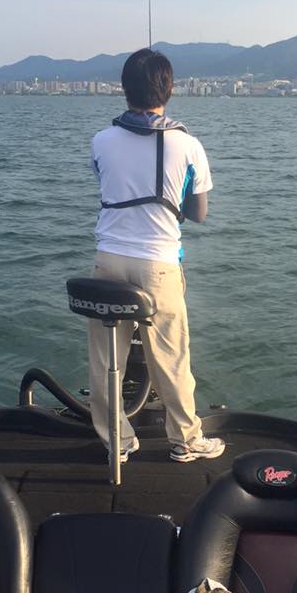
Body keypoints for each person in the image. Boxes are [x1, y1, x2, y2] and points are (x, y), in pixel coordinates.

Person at [87, 48, 224, 464]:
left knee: (105, 361)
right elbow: (198, 213)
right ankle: (185, 440)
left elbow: (106, 183)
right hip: (159, 266)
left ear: (124, 89)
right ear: (170, 89)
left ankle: (117, 440)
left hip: (108, 261)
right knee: (172, 358)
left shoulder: (101, 141)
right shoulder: (189, 145)